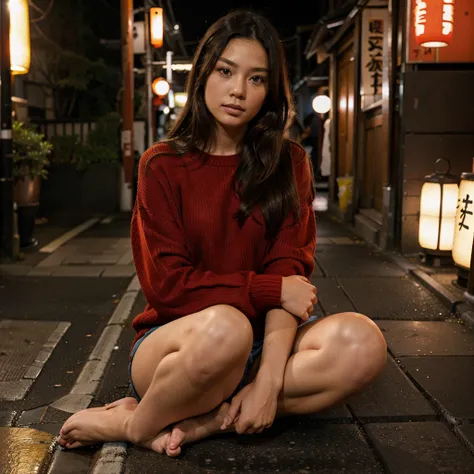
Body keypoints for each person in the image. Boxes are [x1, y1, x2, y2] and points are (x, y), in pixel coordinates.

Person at [56, 10, 386, 457]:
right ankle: (134, 425)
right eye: (225, 71)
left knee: (363, 343)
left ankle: (206, 421)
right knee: (227, 327)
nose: (237, 90)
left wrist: (269, 378)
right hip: (182, 348)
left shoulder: (289, 164)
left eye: (256, 79)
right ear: (203, 73)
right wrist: (272, 289)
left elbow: (289, 269)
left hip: (263, 344)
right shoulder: (162, 165)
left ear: (270, 91)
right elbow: (169, 286)